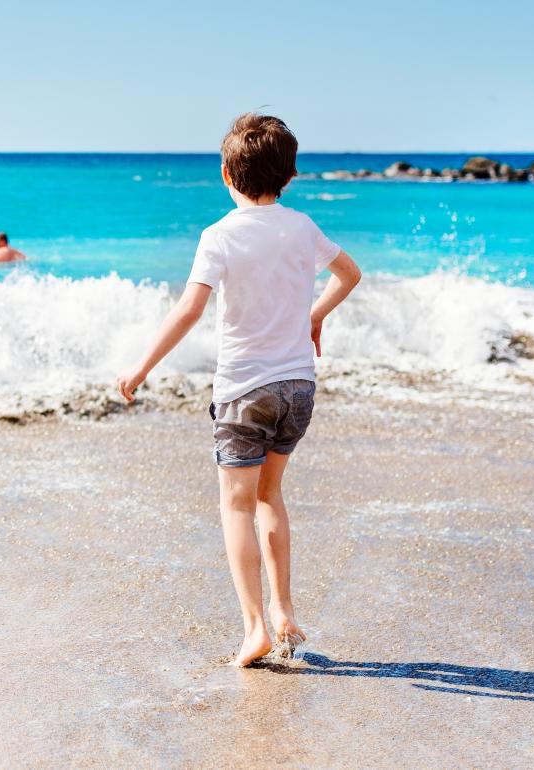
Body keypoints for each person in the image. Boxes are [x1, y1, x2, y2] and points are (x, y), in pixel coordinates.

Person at [115, 113, 363, 668]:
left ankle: (254, 627)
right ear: (290, 175)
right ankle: (283, 611)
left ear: (227, 172)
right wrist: (313, 319)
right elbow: (350, 274)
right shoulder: (301, 227)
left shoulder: (218, 236)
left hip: (244, 391)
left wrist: (141, 367)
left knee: (236, 504)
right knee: (271, 495)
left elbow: (189, 309)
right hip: (297, 388)